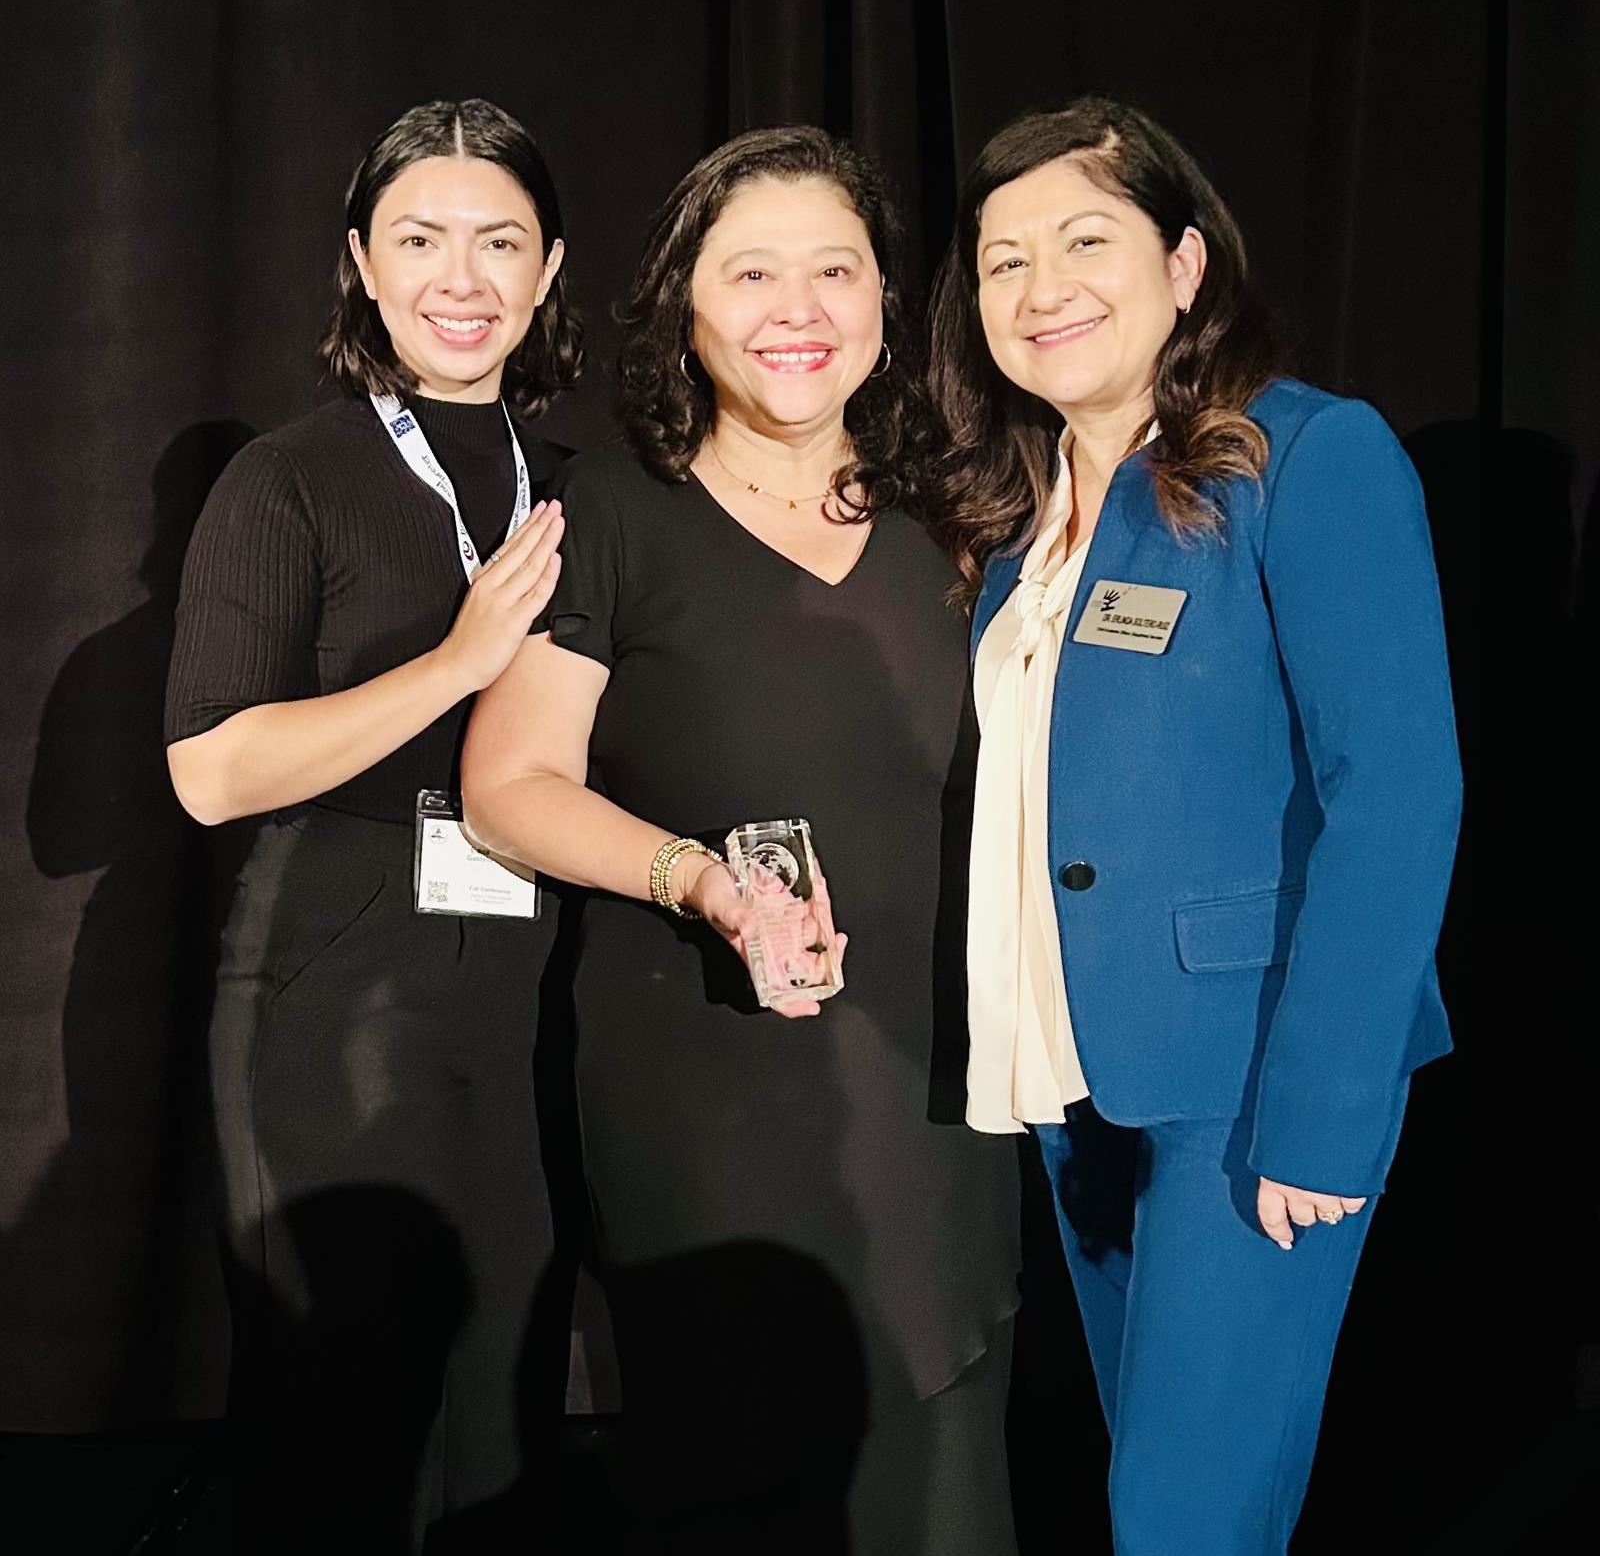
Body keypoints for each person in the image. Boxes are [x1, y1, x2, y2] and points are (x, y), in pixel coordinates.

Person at [462, 127, 1020, 1555]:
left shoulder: (959, 515)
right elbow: (510, 787)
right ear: (685, 306)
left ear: (889, 304)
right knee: (740, 1468)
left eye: (837, 270)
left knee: (941, 1466)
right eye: (753, 272)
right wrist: (697, 879)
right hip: (703, 1087)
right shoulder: (613, 519)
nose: (800, 310)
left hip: (938, 1084)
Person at [925, 97, 1461, 1555]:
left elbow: (1400, 793)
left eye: (1084, 241)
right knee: (1155, 1501)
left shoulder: (1308, 455)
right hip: (1080, 1082)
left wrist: (1327, 1117)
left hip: (1252, 1088)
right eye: (1004, 260)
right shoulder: (1021, 522)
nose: (1043, 289)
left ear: (1185, 262)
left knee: (1180, 1524)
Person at [164, 98, 577, 1552]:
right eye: (419, 238)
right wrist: (458, 665)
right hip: (331, 1002)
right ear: (360, 261)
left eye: (497, 241)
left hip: (526, 1004)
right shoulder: (290, 477)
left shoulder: (577, 486)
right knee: (344, 1436)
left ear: (548, 272)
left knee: (502, 1415)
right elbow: (210, 774)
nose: (459, 279)